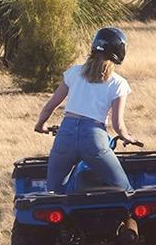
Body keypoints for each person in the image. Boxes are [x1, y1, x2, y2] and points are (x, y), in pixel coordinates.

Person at [33, 26, 143, 194]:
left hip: (65, 136)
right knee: (124, 190)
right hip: (94, 138)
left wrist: (41, 125)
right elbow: (117, 124)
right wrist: (127, 137)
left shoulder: (74, 72)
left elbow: (51, 105)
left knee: (53, 193)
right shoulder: (118, 83)